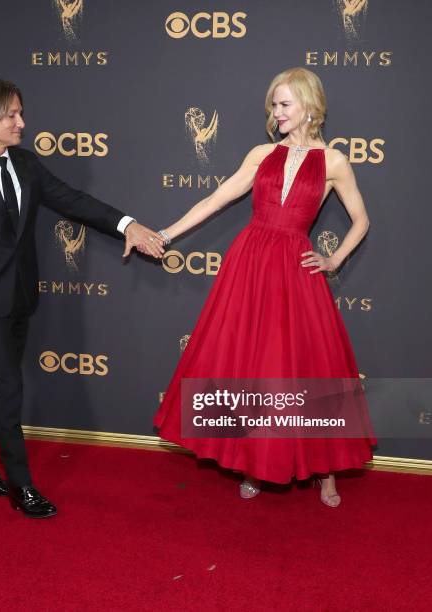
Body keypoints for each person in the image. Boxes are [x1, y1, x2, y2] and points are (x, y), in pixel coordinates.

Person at [0, 79, 164, 518]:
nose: (22, 122)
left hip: (20, 297)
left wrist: (127, 224)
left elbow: (75, 201)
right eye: (12, 115)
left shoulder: (27, 165)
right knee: (8, 387)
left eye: (21, 113)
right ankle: (22, 485)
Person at [154, 67, 375, 507]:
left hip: (296, 268)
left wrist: (333, 259)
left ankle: (326, 470)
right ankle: (252, 459)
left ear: (310, 106)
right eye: (274, 105)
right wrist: (165, 234)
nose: (276, 113)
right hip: (251, 263)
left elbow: (362, 220)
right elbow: (215, 199)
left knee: (310, 366)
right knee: (250, 362)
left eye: (284, 104)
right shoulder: (260, 154)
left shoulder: (333, 161)